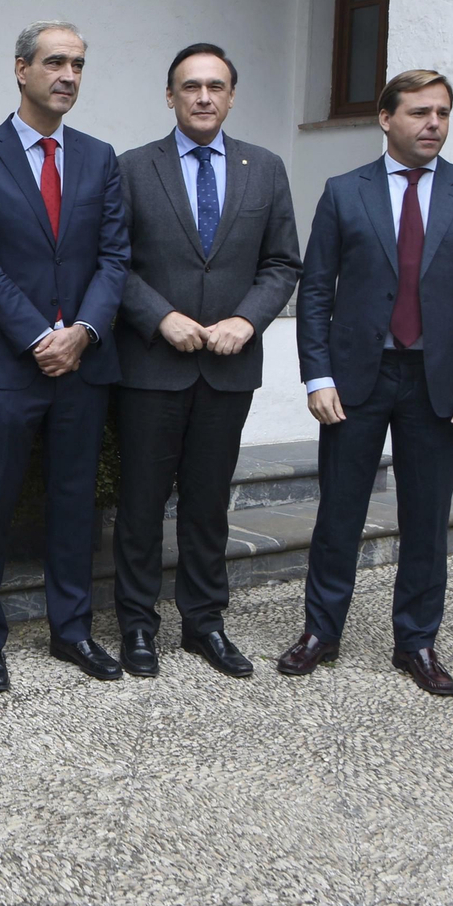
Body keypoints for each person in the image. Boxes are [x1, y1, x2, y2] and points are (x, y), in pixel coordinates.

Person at [280, 69, 453, 696]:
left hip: (438, 382)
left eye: (442, 113)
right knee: (339, 513)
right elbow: (315, 293)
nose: (432, 124)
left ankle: (416, 641)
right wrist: (317, 374)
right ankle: (320, 633)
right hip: (358, 378)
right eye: (419, 112)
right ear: (386, 118)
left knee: (427, 517)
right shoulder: (344, 191)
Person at [0, 19, 130, 692]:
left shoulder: (99, 156)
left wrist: (81, 331)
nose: (69, 76)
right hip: (8, 363)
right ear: (20, 69)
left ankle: (72, 629)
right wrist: (38, 336)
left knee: (75, 500)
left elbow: (115, 257)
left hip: (83, 363)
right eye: (56, 62)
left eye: (79, 64)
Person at [112, 44, 302, 678]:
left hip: (227, 367)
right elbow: (113, 261)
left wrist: (247, 320)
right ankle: (137, 625)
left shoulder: (265, 169)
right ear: (170, 97)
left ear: (231, 96)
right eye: (189, 86)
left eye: (215, 86)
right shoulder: (133, 168)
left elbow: (281, 264)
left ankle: (204, 623)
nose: (202, 97)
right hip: (150, 366)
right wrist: (159, 316)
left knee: (208, 502)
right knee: (140, 502)